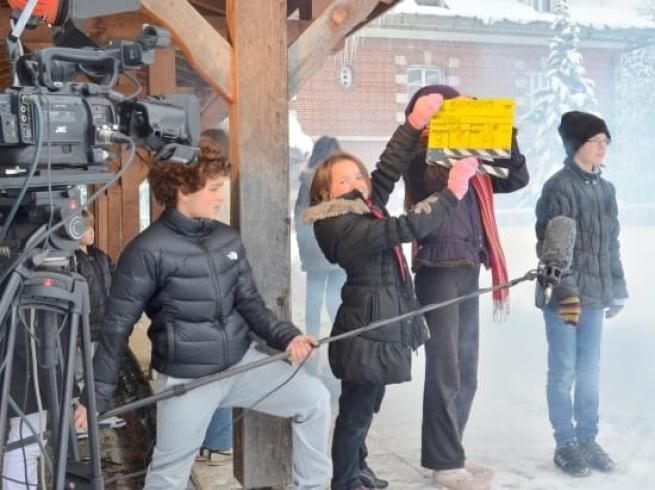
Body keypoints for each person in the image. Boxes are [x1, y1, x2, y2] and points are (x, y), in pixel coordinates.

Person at [74, 137, 332, 490]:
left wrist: (288, 336)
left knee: (314, 399)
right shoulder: (146, 251)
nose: (220, 196)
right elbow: (116, 328)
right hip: (187, 380)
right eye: (214, 188)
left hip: (242, 365)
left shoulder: (227, 238)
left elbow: (251, 305)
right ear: (183, 189)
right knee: (168, 473)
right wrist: (96, 398)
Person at [304, 93, 479, 490]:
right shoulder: (338, 224)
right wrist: (451, 193)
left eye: (357, 177)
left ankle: (358, 468)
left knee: (366, 405)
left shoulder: (362, 207)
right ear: (325, 195)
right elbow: (403, 228)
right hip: (367, 325)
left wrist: (413, 125)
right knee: (355, 410)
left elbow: (386, 168)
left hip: (379, 323)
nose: (356, 185)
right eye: (343, 181)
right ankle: (345, 479)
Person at [403, 85, 529, 490]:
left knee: (466, 368)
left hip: (468, 264)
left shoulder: (471, 160)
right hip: (437, 267)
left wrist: (503, 132)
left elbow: (517, 177)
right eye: (452, 110)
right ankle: (444, 461)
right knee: (446, 369)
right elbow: (438, 179)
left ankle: (449, 450)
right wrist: (469, 131)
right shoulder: (421, 155)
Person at [535, 111, 628, 477]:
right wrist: (568, 293)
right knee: (564, 372)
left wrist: (616, 288)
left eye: (606, 141)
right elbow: (553, 246)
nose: (603, 147)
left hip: (594, 297)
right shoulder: (559, 188)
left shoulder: (606, 190)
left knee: (589, 371)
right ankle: (566, 442)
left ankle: (587, 438)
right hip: (565, 300)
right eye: (596, 141)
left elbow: (611, 245)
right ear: (576, 145)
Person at [294, 136, 346, 374]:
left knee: (314, 312)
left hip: (317, 257)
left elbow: (299, 218)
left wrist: (306, 251)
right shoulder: (332, 180)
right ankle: (338, 362)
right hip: (332, 255)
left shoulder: (308, 180)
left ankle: (312, 365)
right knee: (335, 308)